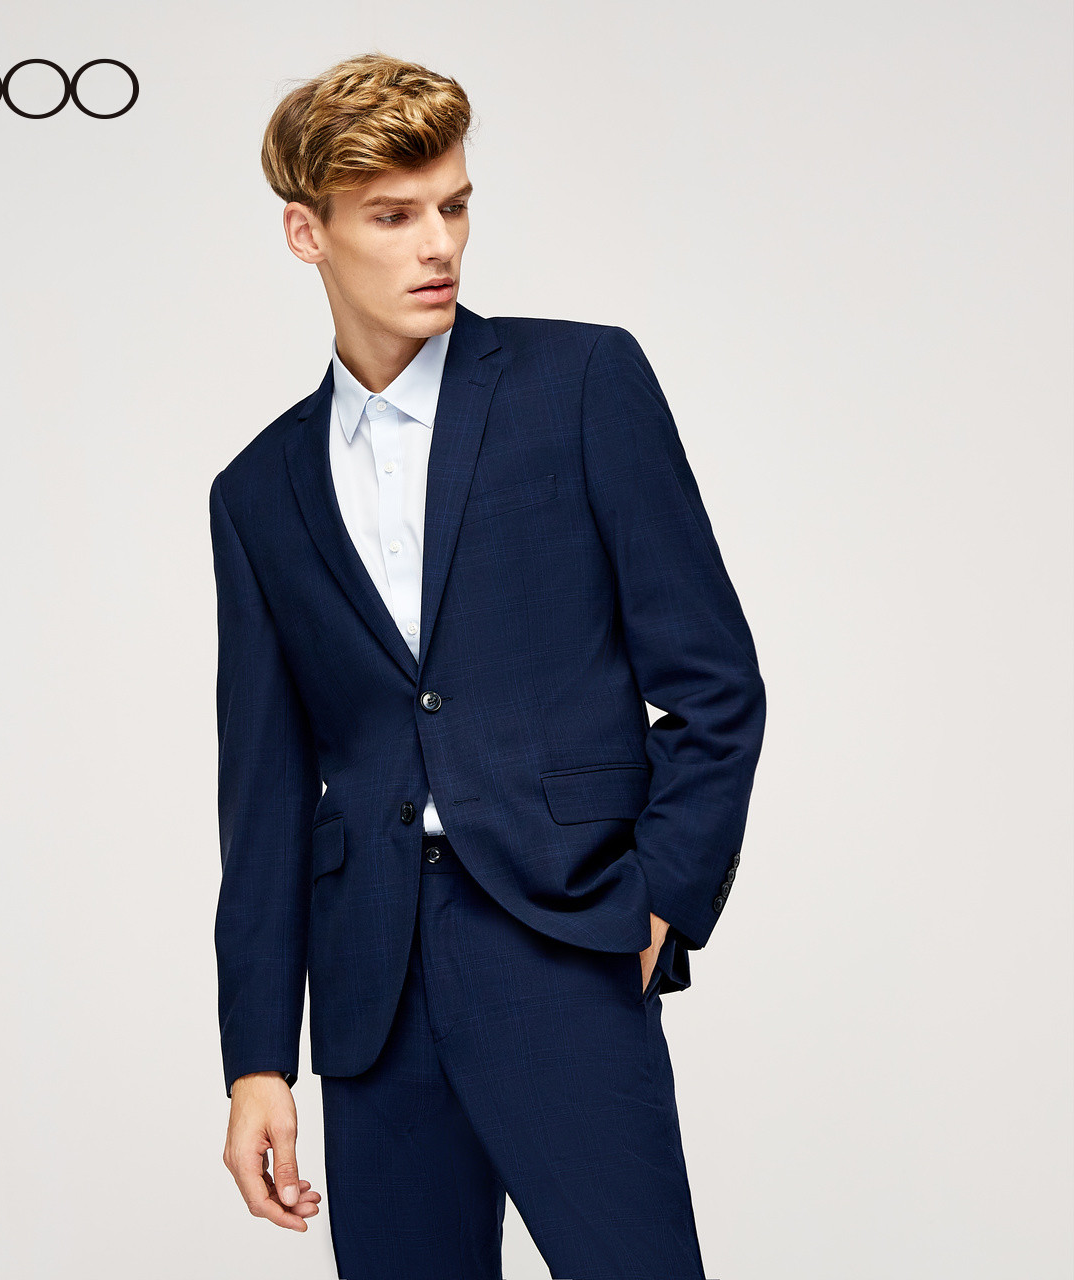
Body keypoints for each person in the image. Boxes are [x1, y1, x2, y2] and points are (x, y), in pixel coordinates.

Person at [209, 50, 766, 1280]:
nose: (437, 246)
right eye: (392, 216)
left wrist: (654, 900)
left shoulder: (580, 384)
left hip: (563, 940)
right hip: (371, 989)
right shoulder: (256, 491)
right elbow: (262, 796)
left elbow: (714, 680)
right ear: (306, 232)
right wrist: (256, 1057)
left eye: (452, 206)